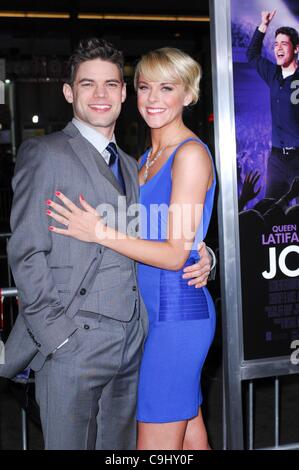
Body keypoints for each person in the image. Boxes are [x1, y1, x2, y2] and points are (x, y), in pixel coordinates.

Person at [0, 39, 213, 450]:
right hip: (82, 342)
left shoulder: (156, 161)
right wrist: (58, 337)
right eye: (146, 86)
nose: (101, 95)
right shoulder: (128, 160)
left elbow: (172, 244)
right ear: (69, 92)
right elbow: (25, 252)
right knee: (186, 430)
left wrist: (203, 253)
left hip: (156, 326)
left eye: (111, 84)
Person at [247, 10, 299, 201]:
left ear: (296, 49)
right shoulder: (273, 73)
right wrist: (264, 26)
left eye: (284, 43)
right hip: (277, 159)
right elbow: (252, 54)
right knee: (271, 211)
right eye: (276, 44)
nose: (278, 47)